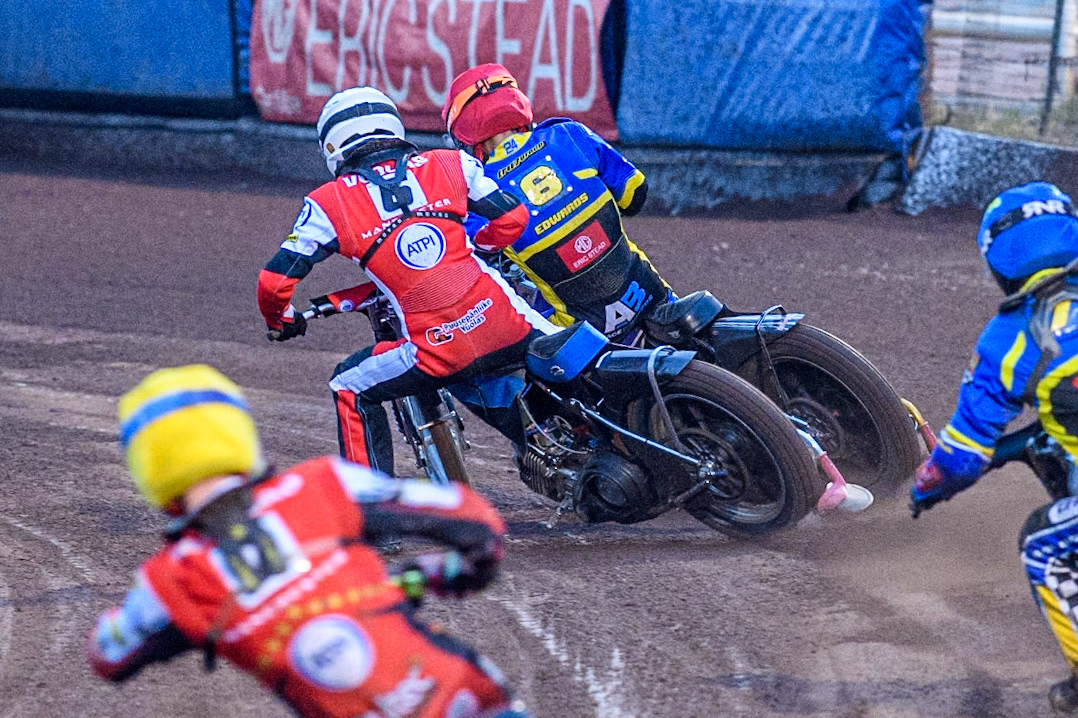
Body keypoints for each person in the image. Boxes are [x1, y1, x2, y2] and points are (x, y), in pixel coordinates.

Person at [88, 364, 532, 718]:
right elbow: (476, 523)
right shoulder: (323, 484)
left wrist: (195, 630)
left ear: (149, 471)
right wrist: (426, 579)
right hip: (462, 694)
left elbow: (108, 654)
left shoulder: (172, 579)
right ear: (237, 434)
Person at [258, 87, 556, 473]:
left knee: (348, 386)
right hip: (511, 326)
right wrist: (476, 247)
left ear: (331, 146)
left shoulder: (329, 203)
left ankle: (375, 514)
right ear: (393, 126)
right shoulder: (451, 163)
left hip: (436, 351)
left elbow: (273, 282)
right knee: (581, 351)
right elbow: (513, 219)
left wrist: (280, 320)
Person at [909, 181, 1078, 713]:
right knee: (1051, 445)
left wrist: (921, 491)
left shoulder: (1012, 341)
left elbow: (960, 458)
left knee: (1041, 545)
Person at [441, 64, 672, 342]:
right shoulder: (567, 134)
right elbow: (635, 194)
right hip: (648, 293)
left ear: (464, 133)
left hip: (586, 332)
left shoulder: (480, 188)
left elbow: (473, 256)